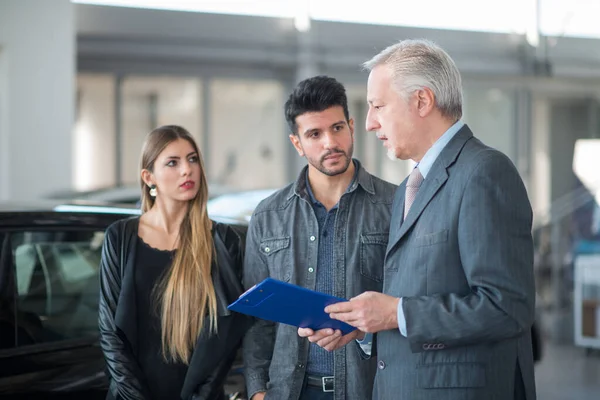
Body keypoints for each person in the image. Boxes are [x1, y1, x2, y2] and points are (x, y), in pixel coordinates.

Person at [310, 39, 537, 399]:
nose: (368, 123)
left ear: (422, 101)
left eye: (378, 106)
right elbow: (416, 299)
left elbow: (506, 307)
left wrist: (395, 313)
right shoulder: (408, 188)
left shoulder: (484, 172)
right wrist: (365, 325)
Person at [242, 75, 397, 400]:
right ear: (297, 143)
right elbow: (257, 322)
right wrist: (257, 390)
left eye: (337, 128)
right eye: (315, 134)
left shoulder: (395, 206)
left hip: (369, 390)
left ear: (352, 126)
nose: (330, 142)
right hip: (290, 392)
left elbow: (408, 305)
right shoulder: (268, 216)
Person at [98, 125, 251, 400]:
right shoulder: (120, 237)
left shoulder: (221, 240)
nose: (187, 170)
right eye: (173, 162)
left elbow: (227, 338)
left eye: (192, 159)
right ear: (149, 177)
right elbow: (110, 332)